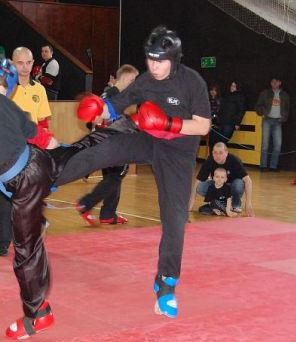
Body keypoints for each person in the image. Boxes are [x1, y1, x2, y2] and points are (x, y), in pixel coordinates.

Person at [53, 25, 211, 319]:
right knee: (103, 150)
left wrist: (168, 124)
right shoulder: (145, 81)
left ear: (174, 58)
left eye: (160, 61)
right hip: (147, 139)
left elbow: (203, 125)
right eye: (151, 59)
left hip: (178, 152)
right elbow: (115, 107)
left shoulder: (192, 82)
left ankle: (166, 283)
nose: (154, 66)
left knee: (175, 218)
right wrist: (97, 107)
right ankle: (50, 177)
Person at [0, 59, 55, 339]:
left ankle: (37, 315)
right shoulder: (14, 108)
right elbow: (47, 140)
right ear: (12, 87)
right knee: (30, 243)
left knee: (24, 252)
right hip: (37, 167)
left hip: (22, 180)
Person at [0, 46, 59, 257]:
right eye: (20, 63)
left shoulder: (39, 90)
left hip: (30, 152)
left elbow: (43, 122)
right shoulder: (2, 87)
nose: (25, 67)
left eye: (28, 63)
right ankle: (1, 242)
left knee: (29, 199)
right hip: (4, 151)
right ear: (12, 63)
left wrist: (46, 148)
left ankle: (27, 241)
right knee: (3, 198)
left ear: (33, 63)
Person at [75, 64, 139, 225]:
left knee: (113, 177)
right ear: (125, 78)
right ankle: (86, 203)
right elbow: (99, 118)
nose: (134, 83)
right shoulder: (116, 96)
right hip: (114, 141)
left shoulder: (108, 93)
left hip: (105, 140)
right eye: (133, 80)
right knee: (117, 175)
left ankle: (108, 214)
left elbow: (94, 118)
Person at [188, 142, 254, 217]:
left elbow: (248, 180)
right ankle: (218, 203)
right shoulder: (209, 161)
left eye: (221, 153)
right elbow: (197, 181)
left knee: (238, 184)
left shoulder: (234, 160)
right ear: (212, 153)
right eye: (215, 153)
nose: (218, 156)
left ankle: (236, 204)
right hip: (219, 185)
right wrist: (191, 202)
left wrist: (248, 203)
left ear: (226, 153)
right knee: (200, 187)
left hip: (232, 185)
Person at [255, 76, 290, 172]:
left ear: (280, 82)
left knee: (278, 145)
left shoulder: (284, 95)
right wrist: (263, 112)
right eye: (272, 82)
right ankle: (263, 166)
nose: (274, 83)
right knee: (265, 144)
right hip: (267, 120)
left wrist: (284, 117)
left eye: (276, 82)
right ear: (270, 83)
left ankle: (273, 166)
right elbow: (257, 106)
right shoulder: (265, 93)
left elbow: (287, 109)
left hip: (278, 121)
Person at [208, 80, 246, 150]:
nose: (232, 87)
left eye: (234, 86)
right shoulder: (226, 95)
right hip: (221, 122)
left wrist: (238, 123)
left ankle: (219, 156)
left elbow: (241, 110)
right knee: (215, 141)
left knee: (222, 141)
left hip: (230, 122)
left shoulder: (240, 96)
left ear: (238, 87)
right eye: (231, 85)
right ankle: (214, 156)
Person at [207, 83, 221, 153]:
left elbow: (218, 112)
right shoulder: (207, 100)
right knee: (210, 142)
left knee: (214, 141)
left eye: (214, 90)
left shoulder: (219, 100)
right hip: (207, 123)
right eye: (211, 90)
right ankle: (210, 156)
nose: (212, 92)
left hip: (216, 124)